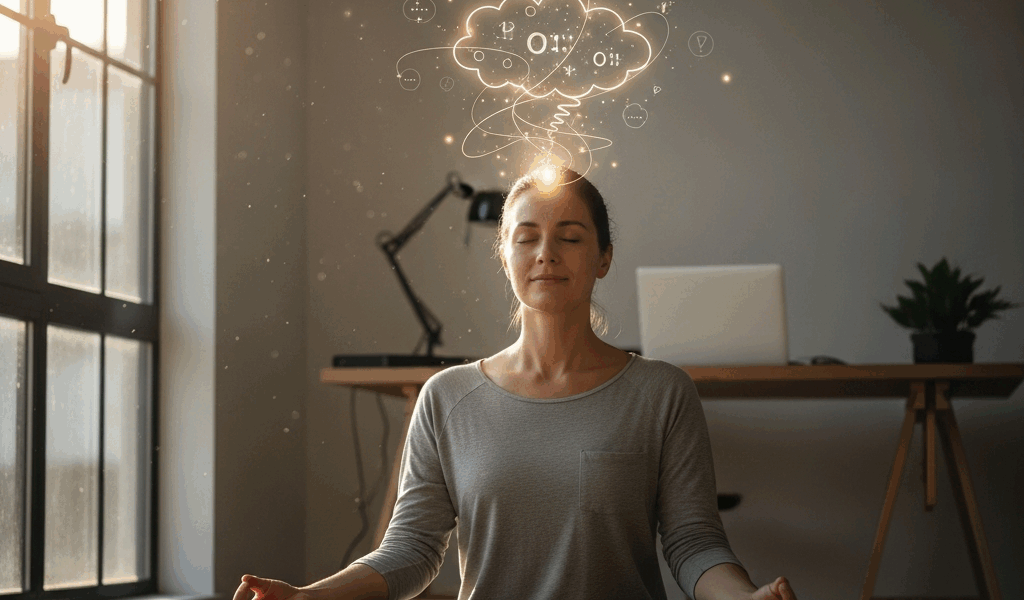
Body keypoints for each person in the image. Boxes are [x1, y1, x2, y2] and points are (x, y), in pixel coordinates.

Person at [234, 167, 799, 600]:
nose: (546, 254)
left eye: (570, 237)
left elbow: (693, 543)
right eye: (526, 237)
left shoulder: (661, 393)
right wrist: (309, 596)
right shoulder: (447, 397)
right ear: (504, 256)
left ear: (603, 257)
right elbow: (411, 550)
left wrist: (744, 597)